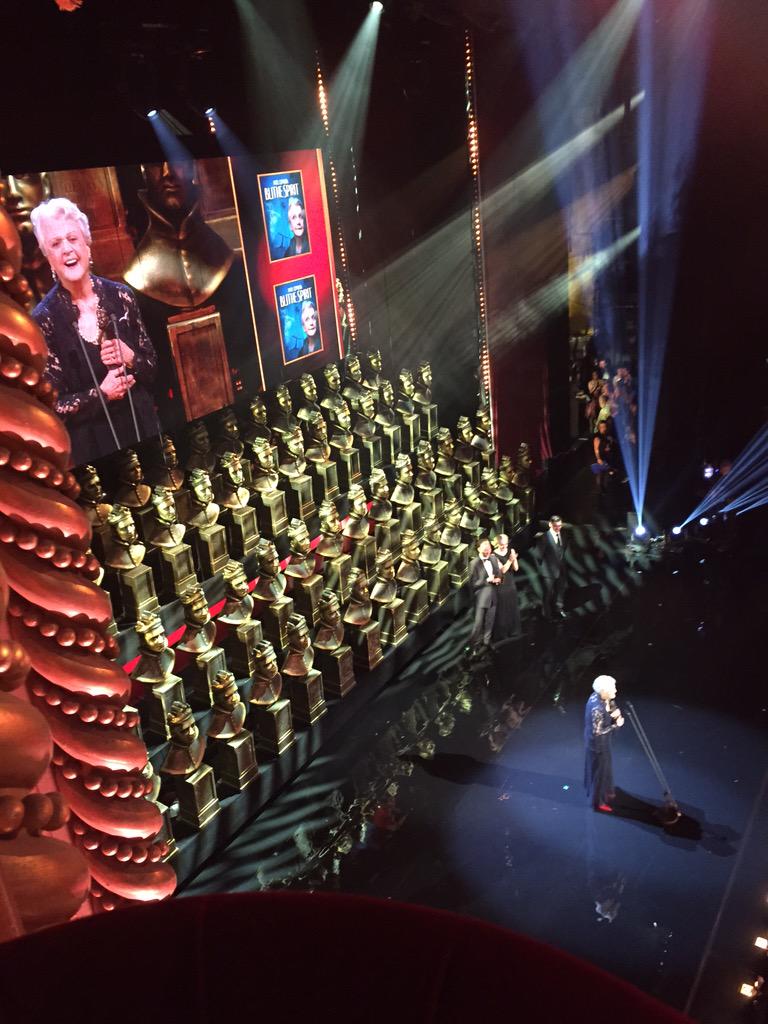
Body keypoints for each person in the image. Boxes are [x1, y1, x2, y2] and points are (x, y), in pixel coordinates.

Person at [30, 197, 158, 465]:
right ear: (47, 256)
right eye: (55, 243)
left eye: (72, 238)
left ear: (87, 243)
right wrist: (102, 394)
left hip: (143, 426)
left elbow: (153, 368)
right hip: (94, 444)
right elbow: (52, 406)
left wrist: (130, 356)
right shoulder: (43, 320)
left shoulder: (122, 296)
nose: (67, 249)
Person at [584, 675, 624, 812]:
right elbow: (598, 732)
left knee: (606, 767)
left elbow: (610, 705)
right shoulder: (597, 709)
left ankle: (608, 790)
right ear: (603, 691)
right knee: (600, 773)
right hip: (598, 746)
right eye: (613, 689)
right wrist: (616, 725)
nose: (616, 691)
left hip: (603, 743)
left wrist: (613, 711)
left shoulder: (601, 697)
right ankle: (598, 802)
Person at [467, 537, 502, 656]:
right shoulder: (473, 564)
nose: (488, 551)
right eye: (485, 549)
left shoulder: (492, 558)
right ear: (478, 549)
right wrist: (487, 580)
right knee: (478, 625)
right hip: (481, 598)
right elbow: (473, 584)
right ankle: (472, 646)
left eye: (489, 548)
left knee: (490, 621)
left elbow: (498, 573)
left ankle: (486, 642)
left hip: (493, 595)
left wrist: (498, 579)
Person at [491, 533, 522, 643]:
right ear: (498, 544)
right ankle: (502, 633)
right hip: (501, 585)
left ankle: (513, 631)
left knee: (512, 606)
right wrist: (510, 559)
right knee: (502, 609)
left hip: (510, 583)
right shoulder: (493, 556)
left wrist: (513, 559)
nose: (505, 546)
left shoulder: (511, 551)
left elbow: (516, 568)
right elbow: (502, 571)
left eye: (506, 544)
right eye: (502, 545)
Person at [536, 514, 567, 620]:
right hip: (548, 572)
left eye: (560, 526)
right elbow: (538, 555)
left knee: (560, 591)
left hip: (560, 570)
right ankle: (546, 614)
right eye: (555, 526)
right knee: (548, 593)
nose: (558, 528)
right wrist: (544, 571)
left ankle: (559, 609)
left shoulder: (562, 535)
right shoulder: (544, 538)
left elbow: (562, 550)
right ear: (550, 525)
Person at [592, 419, 616, 494]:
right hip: (601, 458)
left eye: (604, 427)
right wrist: (598, 458)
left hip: (608, 457)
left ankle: (605, 489)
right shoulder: (597, 438)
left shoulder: (608, 436)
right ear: (599, 428)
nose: (603, 428)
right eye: (601, 427)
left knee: (607, 474)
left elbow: (610, 445)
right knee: (600, 475)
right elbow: (596, 449)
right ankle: (600, 490)